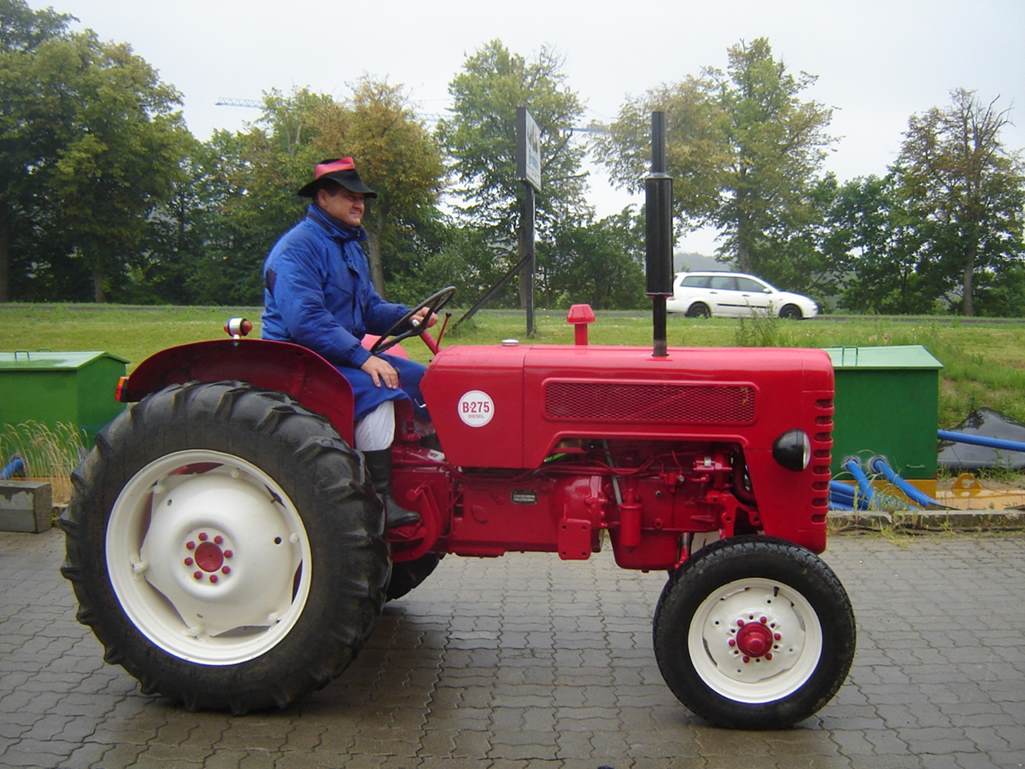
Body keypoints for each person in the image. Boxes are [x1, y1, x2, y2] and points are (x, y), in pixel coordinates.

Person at [261, 157, 434, 528]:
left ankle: (436, 472)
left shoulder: (349, 246)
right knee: (379, 387)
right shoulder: (298, 249)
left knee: (427, 381)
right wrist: (362, 357)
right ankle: (380, 501)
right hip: (301, 358)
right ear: (323, 198)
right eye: (349, 196)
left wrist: (410, 315)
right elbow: (305, 320)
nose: (359, 204)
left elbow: (368, 307)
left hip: (338, 354)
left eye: (362, 197)